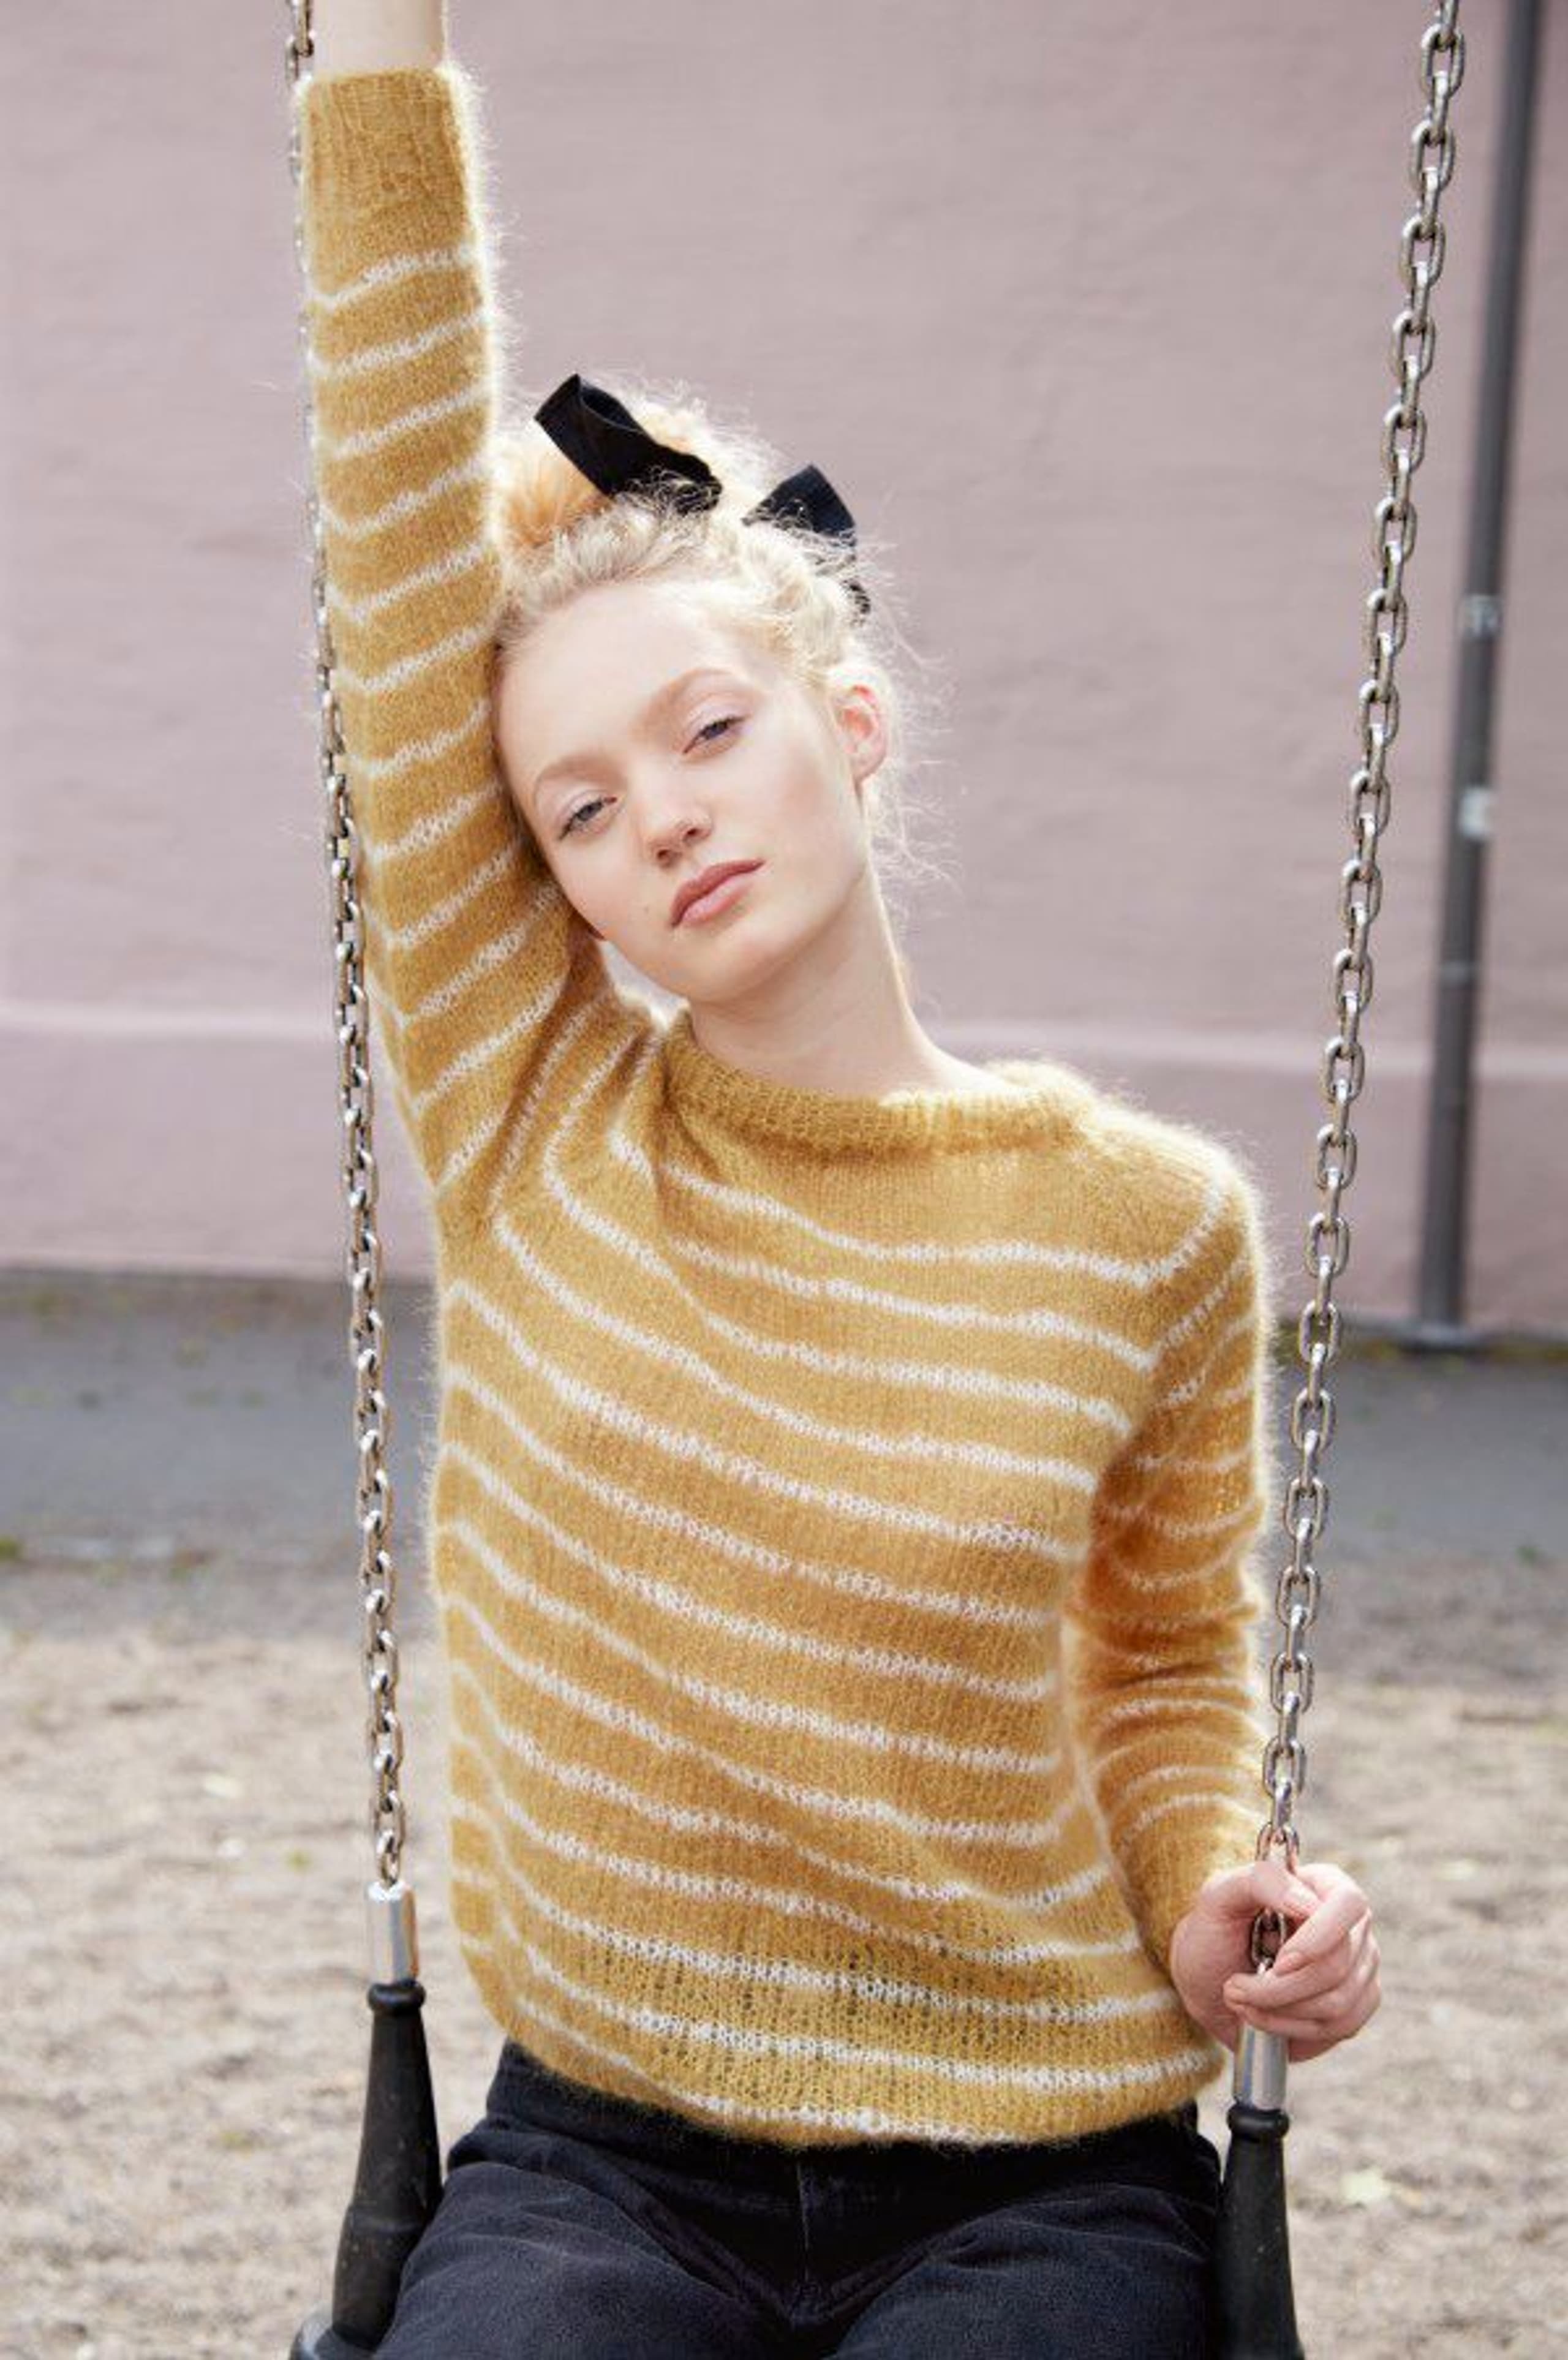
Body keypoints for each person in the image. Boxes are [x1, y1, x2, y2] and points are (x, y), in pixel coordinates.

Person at [294, 5, 1380, 2352]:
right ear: (548, 885)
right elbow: (389, 531)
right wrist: (377, 43)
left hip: (1041, 2174)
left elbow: (1165, 1662)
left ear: (849, 722)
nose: (665, 813)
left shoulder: (1143, 1224)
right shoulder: (536, 1126)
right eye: (583, 808)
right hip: (603, 2162)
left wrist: (1215, 1889)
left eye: (709, 727)